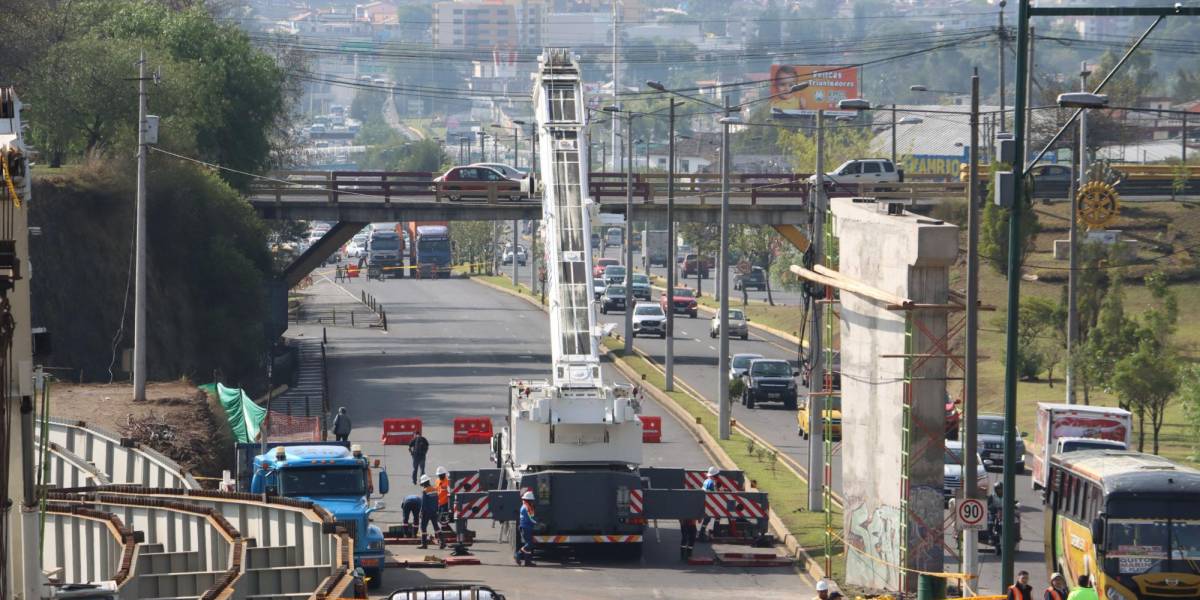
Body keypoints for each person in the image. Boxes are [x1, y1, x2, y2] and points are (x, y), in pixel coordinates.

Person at [515, 490, 538, 566]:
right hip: (526, 527)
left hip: (526, 527)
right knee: (529, 544)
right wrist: (537, 522)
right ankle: (518, 554)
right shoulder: (526, 507)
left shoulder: (526, 506)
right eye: (531, 500)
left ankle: (527, 562)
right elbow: (530, 518)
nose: (532, 502)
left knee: (528, 545)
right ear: (528, 500)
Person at [417, 474, 439, 549]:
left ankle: (424, 544)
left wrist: (421, 512)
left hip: (426, 512)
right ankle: (443, 542)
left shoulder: (425, 491)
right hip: (434, 511)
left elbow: (423, 503)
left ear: (424, 483)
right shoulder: (434, 489)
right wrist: (436, 510)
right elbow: (437, 501)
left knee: (423, 527)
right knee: (436, 526)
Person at [699, 466, 719, 541]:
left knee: (707, 519)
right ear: (715, 475)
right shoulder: (711, 483)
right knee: (717, 516)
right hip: (709, 503)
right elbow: (714, 494)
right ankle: (715, 531)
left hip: (705, 502)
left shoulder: (706, 480)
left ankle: (702, 532)